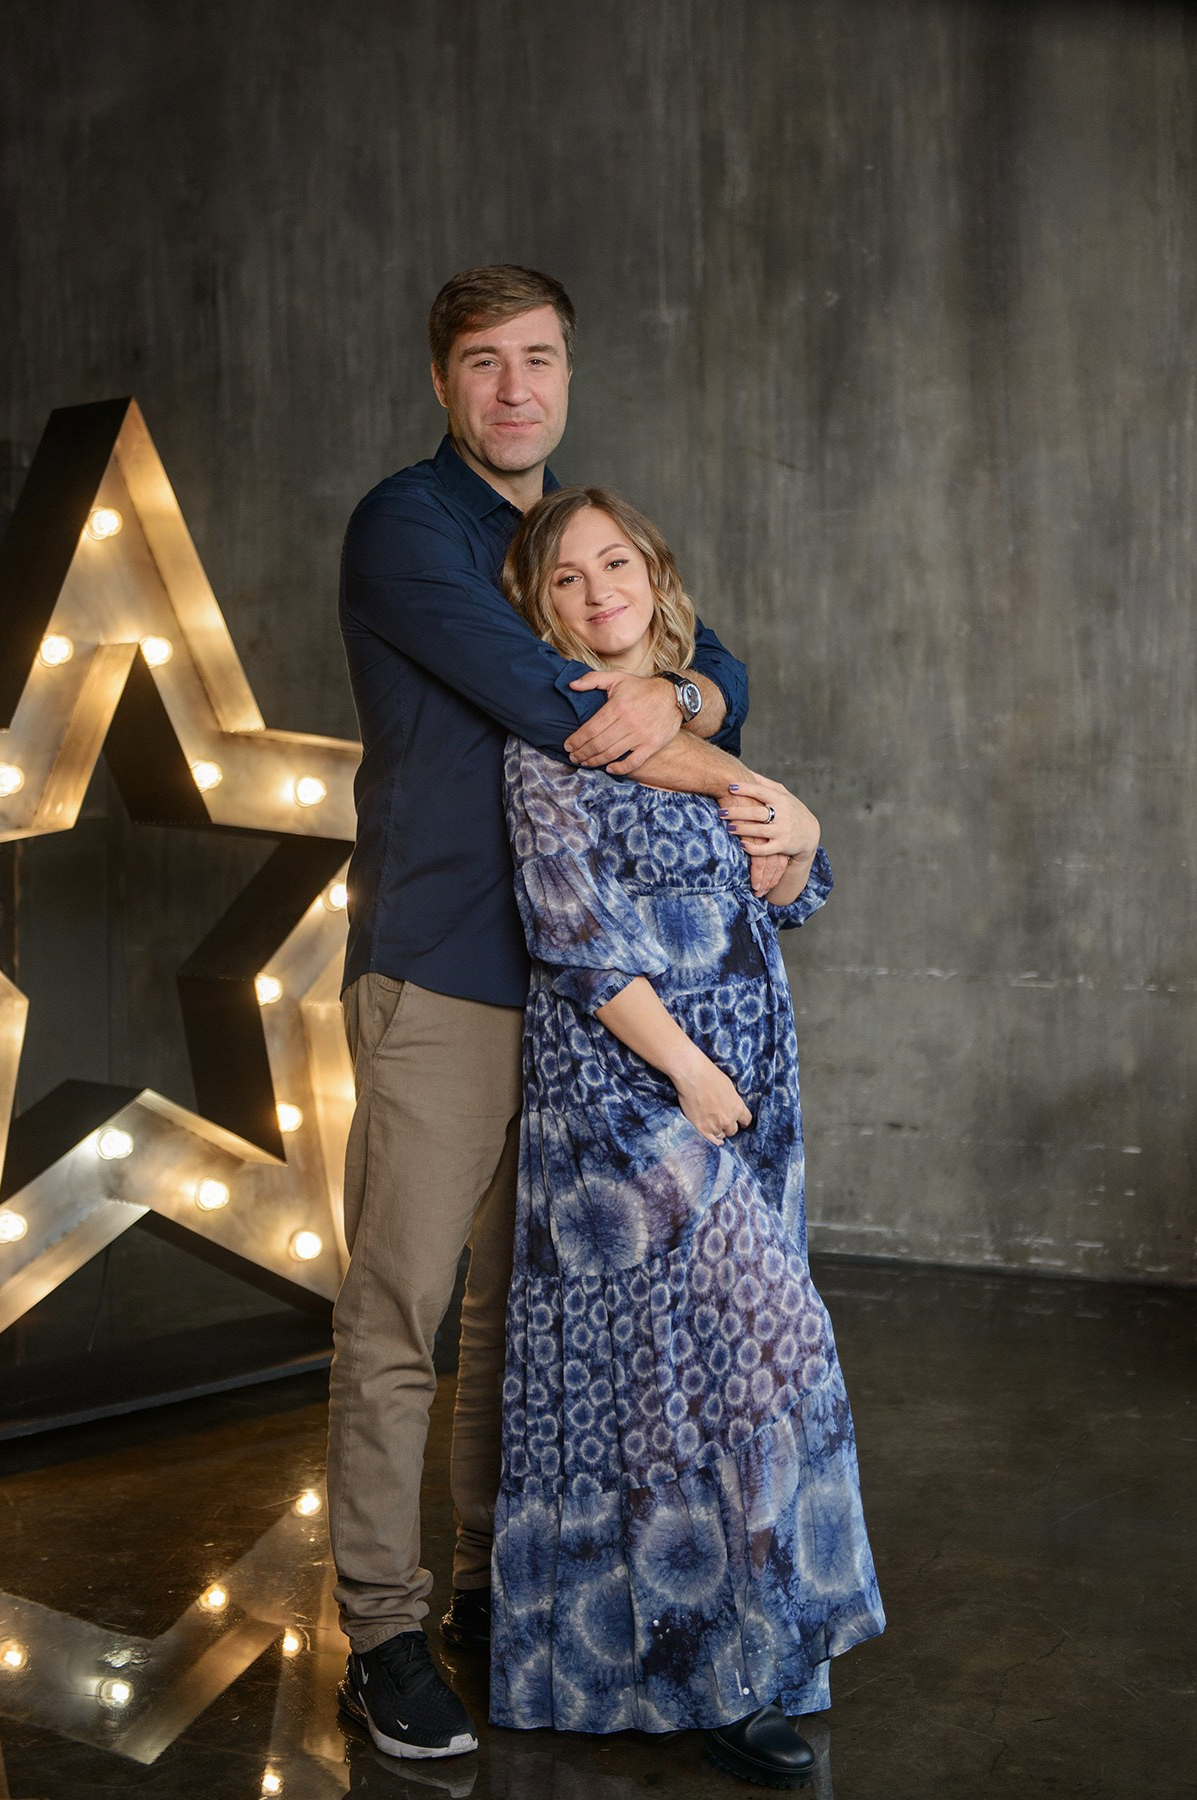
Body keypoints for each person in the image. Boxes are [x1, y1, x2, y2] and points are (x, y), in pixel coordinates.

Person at [330, 265, 780, 1762]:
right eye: (482, 364)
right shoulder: (409, 528)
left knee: (528, 1317)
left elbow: (697, 657)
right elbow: (569, 703)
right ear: (443, 383)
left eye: (538, 361)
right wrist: (753, 778)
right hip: (446, 972)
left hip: (591, 999)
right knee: (404, 1311)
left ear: (567, 376)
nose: (514, 390)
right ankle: (383, 1632)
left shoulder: (569, 538)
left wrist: (698, 705)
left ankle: (483, 1588)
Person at [492, 487, 885, 1790]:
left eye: (615, 564)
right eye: (564, 578)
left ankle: (745, 1654)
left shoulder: (693, 718)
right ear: (538, 608)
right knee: (696, 1374)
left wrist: (795, 836)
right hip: (627, 1082)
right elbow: (570, 931)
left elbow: (784, 892)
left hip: (749, 1069)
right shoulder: (543, 740)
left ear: (656, 582)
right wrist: (688, 1077)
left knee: (704, 1379)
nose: (595, 589)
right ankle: (710, 1668)